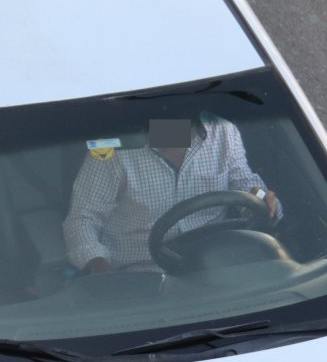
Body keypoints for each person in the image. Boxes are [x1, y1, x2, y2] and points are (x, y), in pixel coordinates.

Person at [63, 114, 281, 274]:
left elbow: (248, 185)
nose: (171, 135)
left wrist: (263, 198)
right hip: (140, 274)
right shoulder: (111, 149)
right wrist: (99, 266)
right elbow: (83, 219)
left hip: (216, 265)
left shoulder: (223, 131)